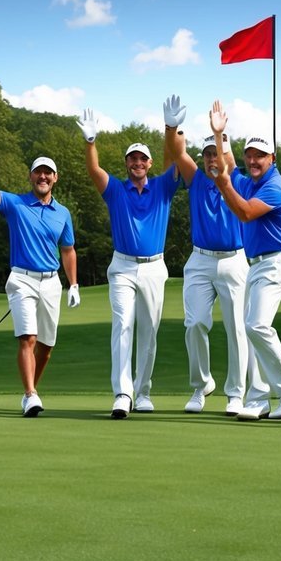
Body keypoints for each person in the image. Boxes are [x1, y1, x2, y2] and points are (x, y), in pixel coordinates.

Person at [0, 136, 80, 417]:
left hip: (51, 283)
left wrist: (73, 284)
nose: (43, 176)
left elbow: (68, 250)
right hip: (22, 279)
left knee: (46, 347)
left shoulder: (63, 213)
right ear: (31, 176)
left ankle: (32, 390)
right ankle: (30, 394)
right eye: (38, 172)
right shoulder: (16, 204)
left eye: (48, 172)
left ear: (55, 178)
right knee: (28, 339)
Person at [207, 100, 281, 421]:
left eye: (260, 156)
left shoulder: (275, 188)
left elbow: (246, 213)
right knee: (251, 329)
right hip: (256, 264)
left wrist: (222, 183)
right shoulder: (251, 179)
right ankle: (260, 397)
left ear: (272, 159)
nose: (252, 160)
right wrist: (220, 135)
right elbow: (231, 164)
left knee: (256, 325)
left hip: (275, 264)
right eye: (250, 154)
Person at [76, 109, 179, 418]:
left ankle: (143, 390)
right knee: (122, 325)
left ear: (148, 164)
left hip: (154, 267)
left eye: (142, 159)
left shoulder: (162, 186)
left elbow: (175, 163)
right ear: (127, 163)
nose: (137, 163)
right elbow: (94, 170)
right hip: (122, 267)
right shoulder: (115, 190)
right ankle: (123, 392)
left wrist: (170, 128)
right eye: (132, 159)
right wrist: (90, 141)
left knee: (149, 329)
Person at [161, 95, 249, 416]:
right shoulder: (196, 178)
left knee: (237, 328)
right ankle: (201, 385)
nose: (213, 159)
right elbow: (176, 151)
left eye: (218, 153)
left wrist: (218, 134)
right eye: (208, 154)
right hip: (200, 260)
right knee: (195, 323)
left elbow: (228, 164)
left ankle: (236, 393)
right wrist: (171, 127)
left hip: (234, 260)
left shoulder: (237, 179)